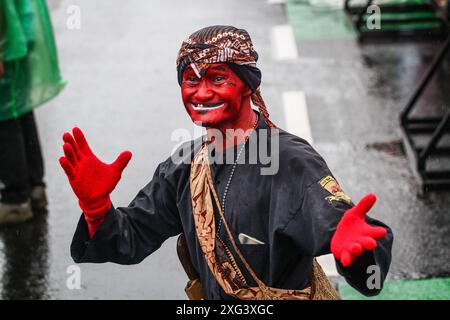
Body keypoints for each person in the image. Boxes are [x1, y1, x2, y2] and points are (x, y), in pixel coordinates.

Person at [61, 25, 393, 300]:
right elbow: (130, 238)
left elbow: (358, 250)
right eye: (191, 80)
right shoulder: (184, 164)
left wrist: (362, 254)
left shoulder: (290, 161)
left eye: (217, 79)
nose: (202, 93)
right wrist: (96, 208)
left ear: (248, 83)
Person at [0, 0, 65, 224]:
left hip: (7, 39)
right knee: (19, 109)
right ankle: (34, 187)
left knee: (5, 115)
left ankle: (16, 199)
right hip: (21, 31)